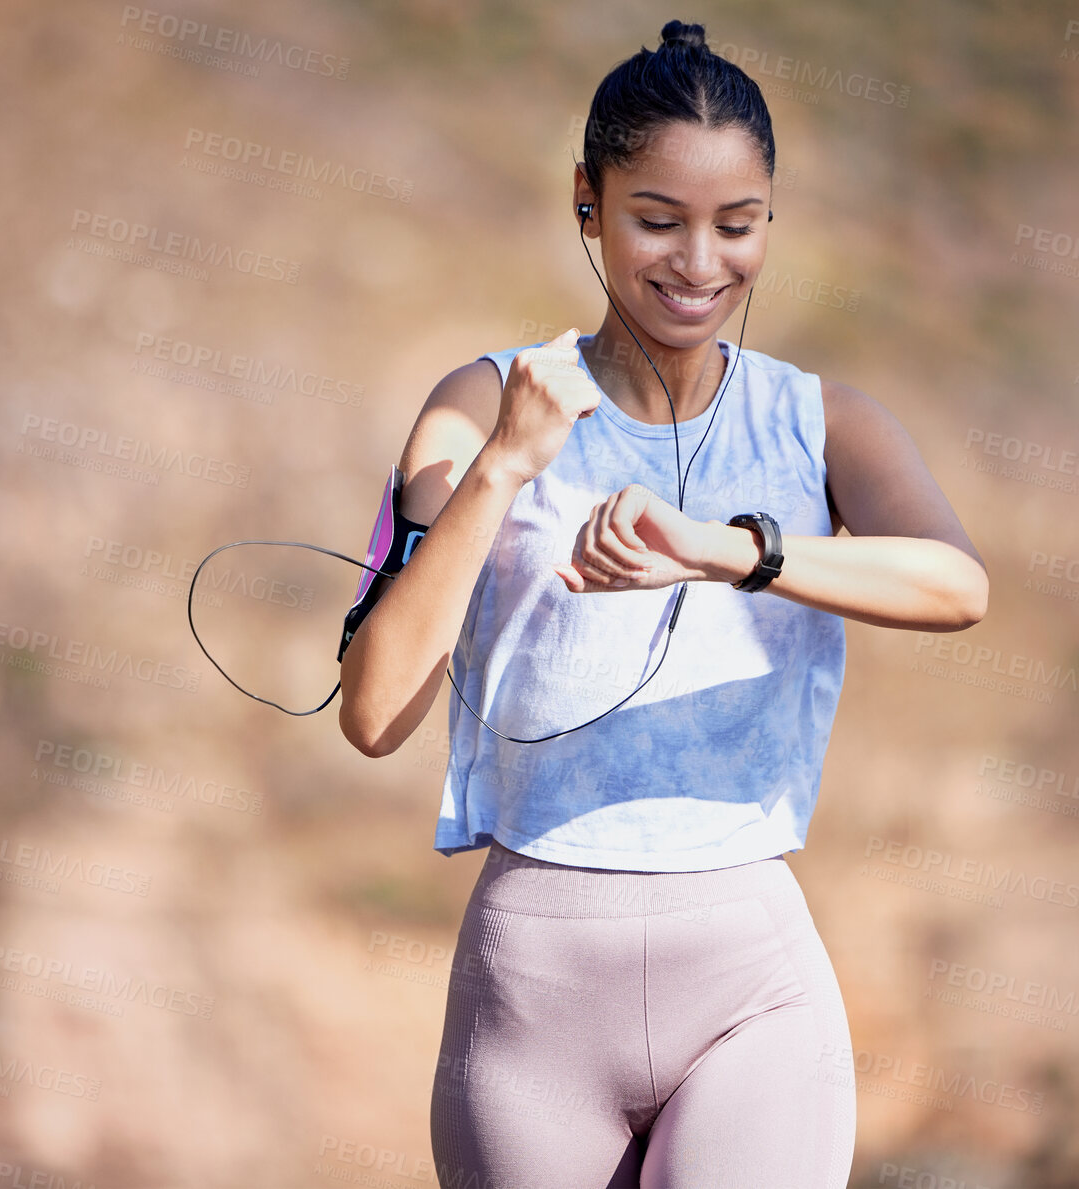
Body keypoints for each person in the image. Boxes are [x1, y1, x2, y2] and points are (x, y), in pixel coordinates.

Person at [338, 18, 988, 1188]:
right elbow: (375, 707)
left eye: (737, 226)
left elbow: (955, 585)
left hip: (749, 988)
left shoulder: (819, 422)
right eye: (657, 220)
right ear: (587, 202)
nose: (700, 265)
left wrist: (726, 550)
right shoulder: (480, 402)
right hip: (533, 993)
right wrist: (503, 466)